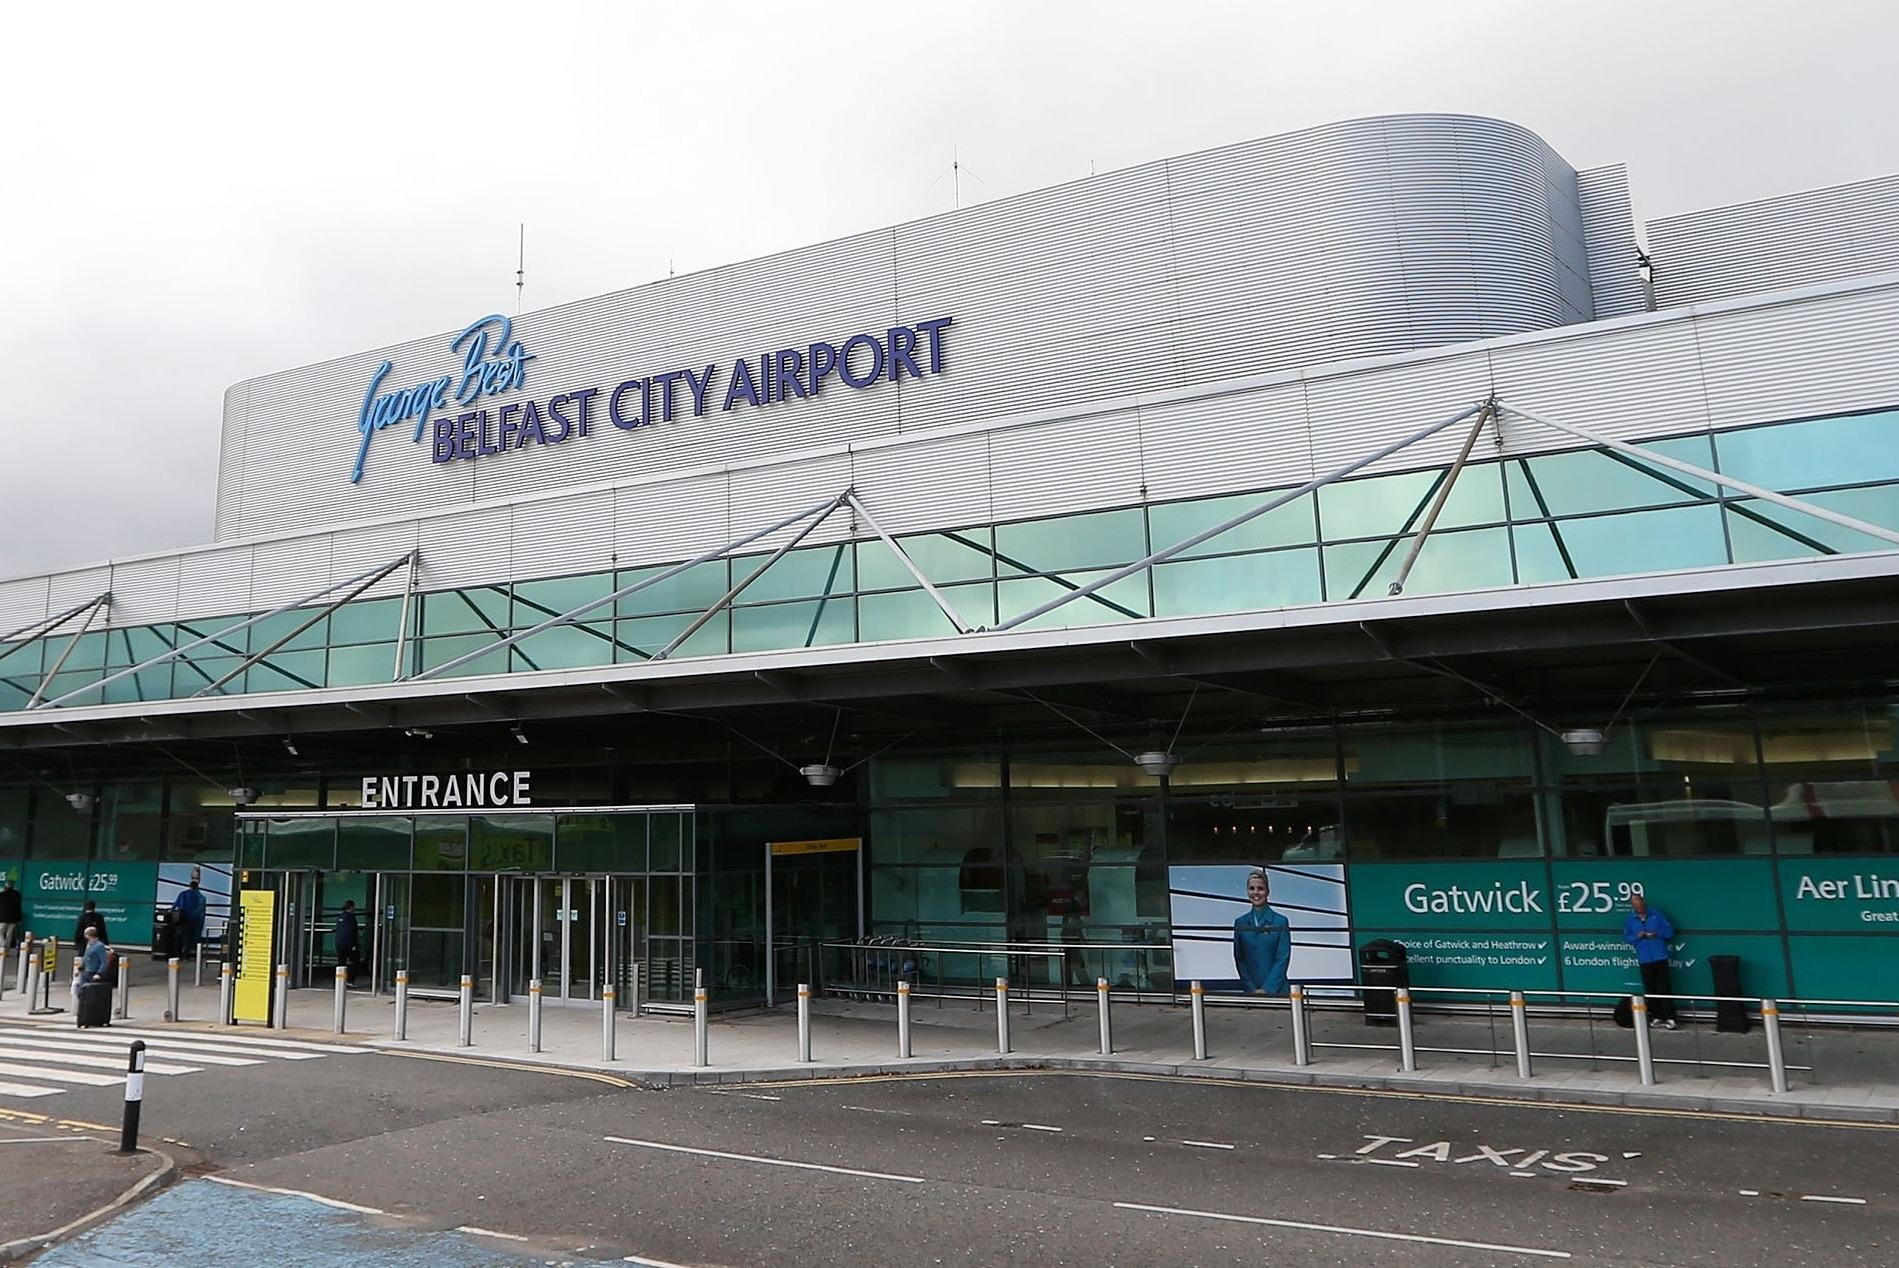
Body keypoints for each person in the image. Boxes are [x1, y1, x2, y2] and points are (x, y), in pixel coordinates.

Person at [1622, 892, 1679, 1029]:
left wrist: (1657, 934)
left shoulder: (1656, 914)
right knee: (1650, 988)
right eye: (1636, 906)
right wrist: (1637, 936)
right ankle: (1657, 1016)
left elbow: (1669, 931)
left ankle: (1670, 1017)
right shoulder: (1629, 919)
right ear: (1633, 907)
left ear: (1644, 903)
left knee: (1664, 988)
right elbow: (1626, 938)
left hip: (1660, 956)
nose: (1640, 908)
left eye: (1641, 905)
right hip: (1644, 959)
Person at [1232, 868, 1292, 995]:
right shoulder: (1240, 923)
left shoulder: (1281, 922)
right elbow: (1240, 960)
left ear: (1268, 892)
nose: (1256, 892)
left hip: (1278, 992)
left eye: (1260, 888)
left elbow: (1282, 959)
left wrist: (1267, 990)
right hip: (1250, 993)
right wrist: (1251, 989)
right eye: (1251, 888)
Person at [172, 879, 207, 957]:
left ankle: (178, 954)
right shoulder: (201, 897)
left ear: (189, 886)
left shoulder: (183, 894)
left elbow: (175, 906)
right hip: (195, 921)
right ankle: (189, 954)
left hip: (182, 920)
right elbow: (201, 911)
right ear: (197, 887)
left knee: (180, 937)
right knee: (192, 938)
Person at [334, 900, 361, 984]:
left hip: (339, 944)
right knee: (355, 961)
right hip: (349, 944)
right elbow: (353, 932)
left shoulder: (340, 917)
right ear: (351, 907)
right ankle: (350, 980)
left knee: (341, 963)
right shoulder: (351, 918)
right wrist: (354, 944)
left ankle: (340, 981)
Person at [0, 878, 21, 956]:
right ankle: (7, 952)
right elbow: (18, 907)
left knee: (0, 933)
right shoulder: (17, 894)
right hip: (13, 918)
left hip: (3, 917)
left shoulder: (2, 894)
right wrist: (19, 919)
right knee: (9, 935)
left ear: (6, 885)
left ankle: (3, 945)